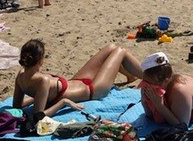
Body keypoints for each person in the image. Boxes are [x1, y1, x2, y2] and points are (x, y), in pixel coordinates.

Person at [13, 40, 143, 117]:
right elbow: (38, 116)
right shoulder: (43, 81)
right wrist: (63, 102)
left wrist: (38, 97)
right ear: (40, 61)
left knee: (111, 47)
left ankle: (130, 76)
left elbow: (17, 106)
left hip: (79, 80)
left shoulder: (21, 75)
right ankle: (152, 78)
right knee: (120, 51)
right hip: (93, 90)